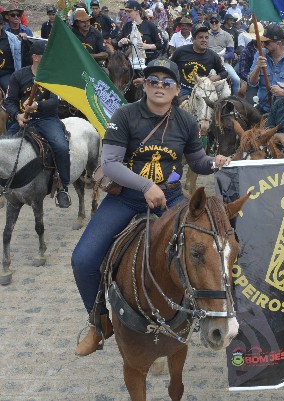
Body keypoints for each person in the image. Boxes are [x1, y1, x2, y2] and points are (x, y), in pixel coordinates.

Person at [70, 58, 233, 356]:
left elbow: (196, 161)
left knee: (211, 248)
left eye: (166, 82)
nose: (159, 86)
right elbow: (110, 164)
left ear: (176, 90)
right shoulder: (125, 115)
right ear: (144, 86)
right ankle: (99, 323)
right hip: (126, 198)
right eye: (153, 81)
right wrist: (145, 186)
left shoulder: (184, 121)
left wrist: (214, 162)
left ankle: (209, 312)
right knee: (83, 259)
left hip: (170, 198)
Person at [4, 41, 71, 208]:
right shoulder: (18, 76)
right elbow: (10, 101)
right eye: (45, 56)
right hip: (23, 120)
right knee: (2, 148)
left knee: (61, 147)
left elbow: (54, 102)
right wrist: (17, 115)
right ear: (35, 57)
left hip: (46, 120)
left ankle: (63, 186)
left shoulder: (51, 76)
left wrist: (37, 106)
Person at [248, 24, 284, 113]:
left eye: (267, 42)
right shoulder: (260, 54)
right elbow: (252, 82)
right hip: (263, 108)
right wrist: (258, 67)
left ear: (279, 43)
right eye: (262, 42)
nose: (263, 45)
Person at [170, 24, 228, 96]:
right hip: (182, 89)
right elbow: (170, 67)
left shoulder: (212, 56)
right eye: (200, 37)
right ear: (193, 39)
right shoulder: (181, 51)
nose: (204, 40)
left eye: (206, 37)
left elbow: (224, 72)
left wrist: (216, 77)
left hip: (202, 90)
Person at [117, 0, 163, 67]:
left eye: (129, 11)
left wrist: (147, 46)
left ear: (137, 11)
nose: (127, 14)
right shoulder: (127, 26)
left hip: (148, 60)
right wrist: (121, 42)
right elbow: (117, 42)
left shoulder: (150, 25)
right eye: (126, 11)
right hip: (129, 61)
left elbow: (160, 44)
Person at [207, 13, 240, 94]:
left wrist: (223, 57)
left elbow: (231, 53)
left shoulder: (227, 35)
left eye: (216, 22)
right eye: (212, 22)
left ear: (220, 22)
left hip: (223, 63)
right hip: (207, 62)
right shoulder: (205, 34)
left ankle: (235, 100)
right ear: (209, 23)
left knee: (236, 80)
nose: (214, 23)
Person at [0, 14, 21, 93]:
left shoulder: (11, 38)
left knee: (12, 91)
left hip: (6, 74)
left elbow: (22, 52)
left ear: (2, 25)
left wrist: (24, 41)